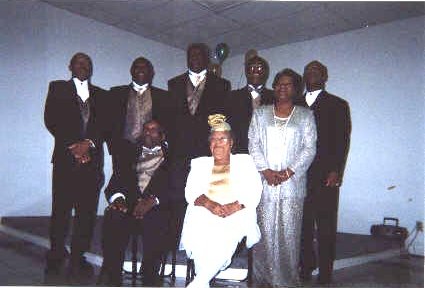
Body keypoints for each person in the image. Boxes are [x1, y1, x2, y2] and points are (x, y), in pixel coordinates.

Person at [248, 68, 317, 287]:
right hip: (265, 183)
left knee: (289, 236)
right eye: (279, 83)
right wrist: (266, 171)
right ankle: (262, 279)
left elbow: (309, 149)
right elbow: (253, 143)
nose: (282, 88)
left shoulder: (306, 115)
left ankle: (286, 281)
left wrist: (288, 172)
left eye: (288, 84)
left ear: (296, 89)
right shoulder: (260, 113)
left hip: (292, 185)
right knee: (265, 234)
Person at [180, 114, 262, 288]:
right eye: (213, 140)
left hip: (236, 211)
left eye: (223, 139)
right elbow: (190, 192)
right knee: (201, 232)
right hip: (205, 210)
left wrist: (234, 206)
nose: (217, 144)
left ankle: (199, 282)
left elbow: (254, 191)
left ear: (231, 143)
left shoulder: (245, 162)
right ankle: (201, 282)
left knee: (224, 235)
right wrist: (210, 205)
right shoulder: (200, 164)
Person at [166, 43, 231, 261]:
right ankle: (176, 241)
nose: (194, 57)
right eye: (191, 54)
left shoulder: (221, 85)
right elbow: (170, 120)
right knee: (177, 196)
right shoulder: (173, 84)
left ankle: (201, 241)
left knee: (205, 195)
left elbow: (220, 118)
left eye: (199, 54)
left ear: (206, 58)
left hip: (206, 153)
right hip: (178, 153)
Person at [44, 52, 107, 276]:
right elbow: (51, 119)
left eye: (87, 63)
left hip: (92, 162)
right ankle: (56, 254)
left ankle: (78, 255)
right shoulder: (57, 88)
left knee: (86, 213)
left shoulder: (101, 94)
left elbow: (105, 126)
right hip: (65, 160)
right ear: (70, 66)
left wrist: (88, 144)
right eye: (79, 62)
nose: (84, 66)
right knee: (60, 210)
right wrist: (74, 145)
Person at [98, 120, 171, 286]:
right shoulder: (128, 154)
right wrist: (118, 199)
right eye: (145, 129)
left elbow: (176, 185)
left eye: (153, 130)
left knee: (158, 220)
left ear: (162, 136)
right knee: (114, 215)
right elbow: (114, 183)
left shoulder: (173, 156)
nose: (147, 132)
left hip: (157, 205)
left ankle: (149, 275)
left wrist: (152, 200)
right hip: (129, 204)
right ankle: (113, 273)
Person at [297, 60, 351, 285]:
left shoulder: (338, 104)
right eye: (308, 71)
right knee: (303, 227)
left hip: (325, 176)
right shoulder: (294, 103)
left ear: (325, 76)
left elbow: (342, 141)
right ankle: (305, 268)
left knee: (326, 227)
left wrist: (336, 171)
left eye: (317, 71)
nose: (312, 73)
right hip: (298, 175)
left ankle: (326, 274)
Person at [226, 55, 274, 153]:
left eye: (260, 68)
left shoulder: (275, 97)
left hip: (268, 153)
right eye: (252, 67)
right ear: (246, 72)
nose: (256, 71)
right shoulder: (232, 97)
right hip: (239, 154)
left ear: (266, 73)